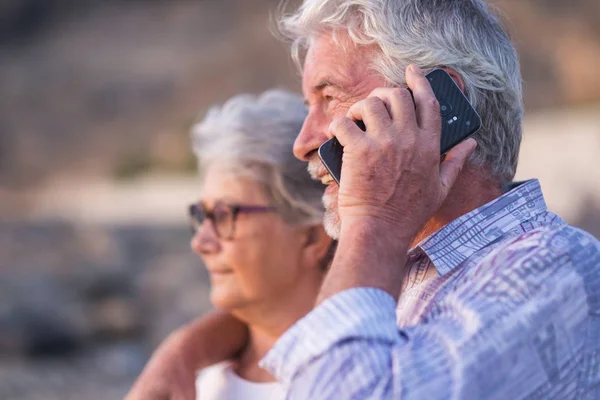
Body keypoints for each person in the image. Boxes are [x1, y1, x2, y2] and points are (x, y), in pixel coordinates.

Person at [127, 1, 600, 399]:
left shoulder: (549, 270)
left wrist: (372, 216)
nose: (303, 140)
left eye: (328, 97)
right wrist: (185, 350)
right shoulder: (405, 266)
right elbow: (283, 319)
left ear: (432, 106)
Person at [126, 90, 334, 400]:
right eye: (202, 215)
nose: (200, 242)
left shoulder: (366, 377)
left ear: (312, 237)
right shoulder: (191, 385)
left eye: (224, 215)